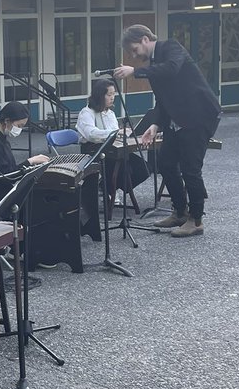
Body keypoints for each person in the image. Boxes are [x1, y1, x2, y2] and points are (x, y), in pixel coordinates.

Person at [115, 25, 221, 237]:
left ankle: (196, 220)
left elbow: (172, 68)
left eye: (134, 50)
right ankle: (180, 211)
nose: (134, 56)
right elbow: (164, 99)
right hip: (177, 120)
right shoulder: (153, 64)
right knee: (165, 163)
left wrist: (135, 72)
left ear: (145, 39)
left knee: (191, 169)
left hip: (199, 117)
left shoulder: (172, 47)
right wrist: (156, 125)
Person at [76, 78, 149, 194]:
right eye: (109, 94)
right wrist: (115, 132)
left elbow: (116, 132)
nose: (112, 97)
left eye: (113, 94)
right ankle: (106, 191)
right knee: (122, 169)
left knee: (143, 168)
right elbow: (91, 134)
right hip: (93, 150)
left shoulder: (110, 113)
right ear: (100, 95)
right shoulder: (86, 113)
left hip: (113, 149)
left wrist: (126, 133)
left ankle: (107, 189)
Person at [0, 102, 50, 214]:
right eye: (19, 125)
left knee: (37, 195)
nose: (20, 129)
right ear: (7, 121)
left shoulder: (0, 138)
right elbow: (8, 176)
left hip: (2, 189)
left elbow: (8, 170)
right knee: (37, 202)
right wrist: (30, 161)